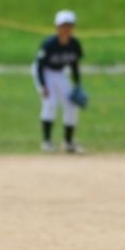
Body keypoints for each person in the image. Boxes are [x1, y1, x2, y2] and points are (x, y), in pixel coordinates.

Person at [33, 9, 84, 154]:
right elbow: (39, 66)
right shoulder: (49, 44)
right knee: (50, 104)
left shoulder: (74, 44)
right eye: (63, 26)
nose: (66, 29)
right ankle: (47, 142)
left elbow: (74, 66)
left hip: (60, 73)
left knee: (72, 104)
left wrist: (77, 84)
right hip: (43, 72)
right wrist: (43, 86)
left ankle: (68, 142)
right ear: (57, 27)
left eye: (69, 25)